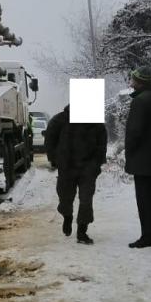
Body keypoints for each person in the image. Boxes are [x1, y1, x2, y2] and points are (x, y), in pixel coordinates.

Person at [46, 105, 107, 245]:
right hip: (67, 166)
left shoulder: (96, 123)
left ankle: (82, 232)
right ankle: (67, 216)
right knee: (65, 198)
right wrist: (55, 159)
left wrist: (96, 164)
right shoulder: (60, 119)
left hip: (88, 168)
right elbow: (50, 140)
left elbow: (102, 144)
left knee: (86, 200)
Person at [124, 65, 151, 248]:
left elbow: (135, 131)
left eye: (133, 78)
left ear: (139, 81)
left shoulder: (140, 101)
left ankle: (148, 235)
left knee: (145, 198)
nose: (131, 81)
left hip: (142, 158)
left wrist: (130, 151)